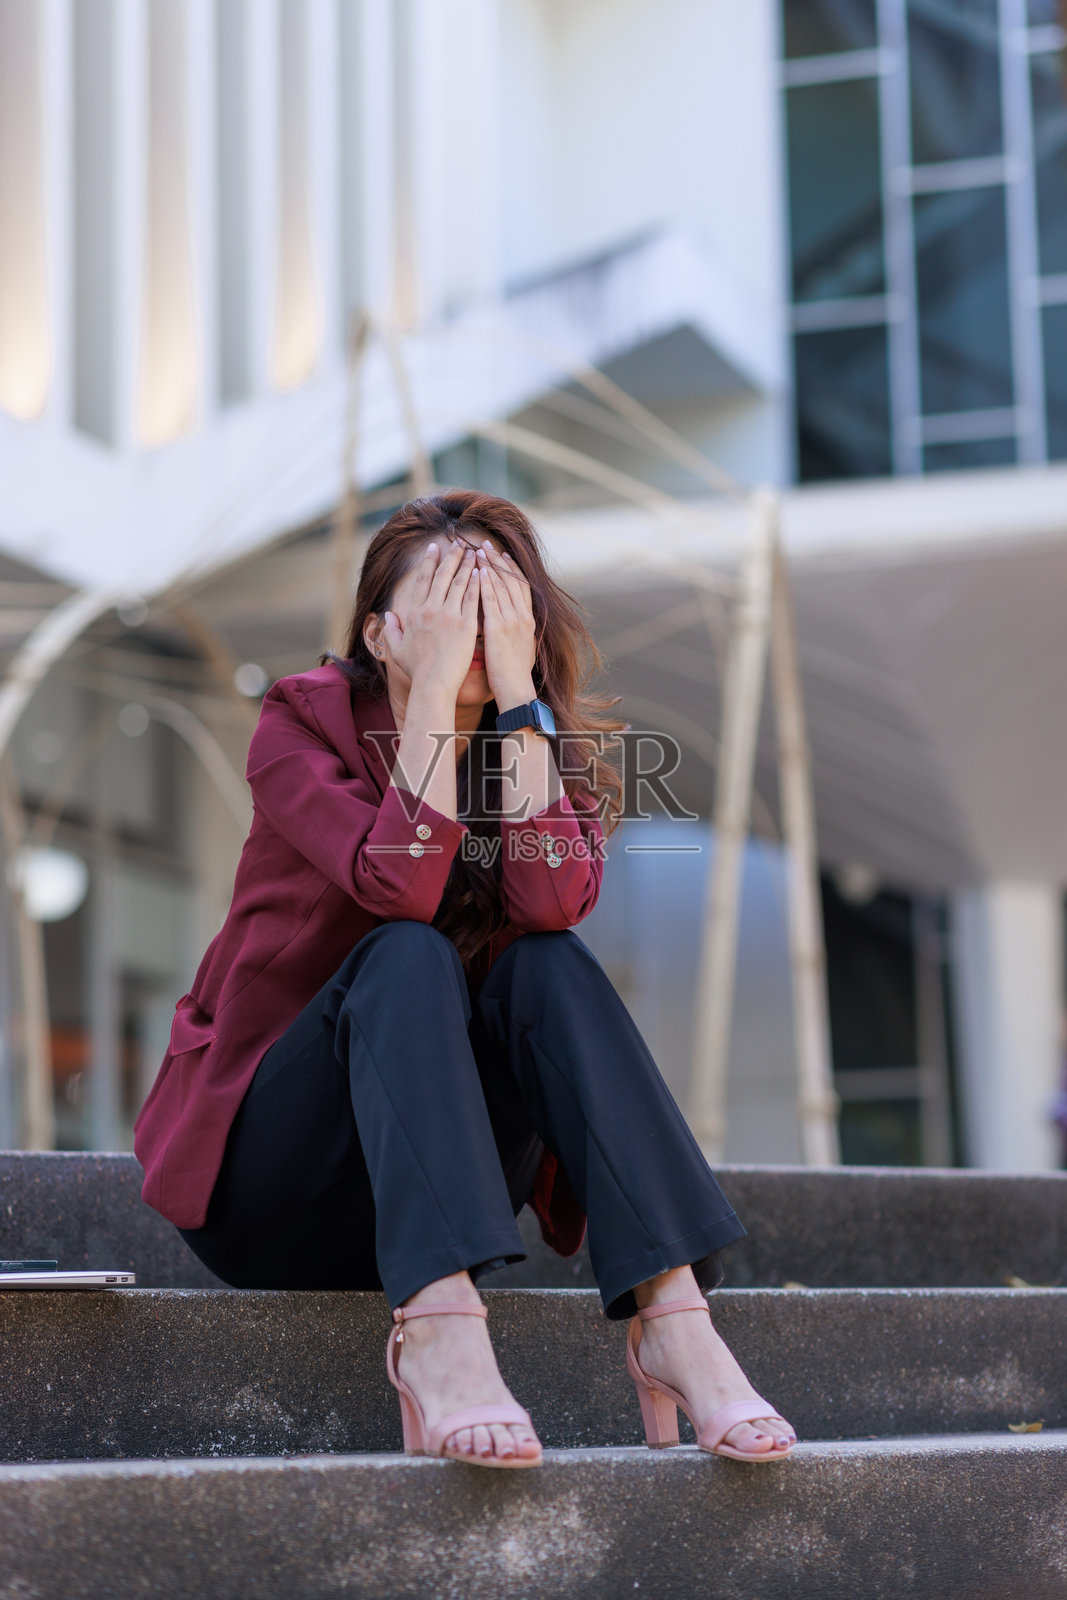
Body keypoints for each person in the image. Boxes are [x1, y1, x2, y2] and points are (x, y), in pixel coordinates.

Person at [134, 489, 795, 1469]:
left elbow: (550, 904)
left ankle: (673, 1317)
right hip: (278, 1184)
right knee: (406, 952)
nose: (471, 631)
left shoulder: (535, 749)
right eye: (446, 606)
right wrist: (435, 696)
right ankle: (439, 1335)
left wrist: (517, 701)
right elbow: (397, 886)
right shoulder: (301, 722)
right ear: (378, 632)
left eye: (495, 610)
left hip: (442, 1183)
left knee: (545, 962)